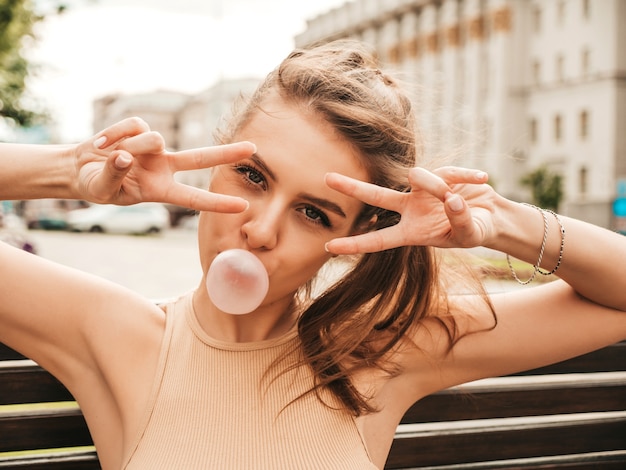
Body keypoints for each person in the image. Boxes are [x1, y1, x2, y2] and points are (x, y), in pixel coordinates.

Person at [1, 39, 625, 470]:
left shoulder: (381, 354)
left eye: (312, 212)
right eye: (251, 176)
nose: (261, 229)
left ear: (352, 236)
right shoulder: (113, 334)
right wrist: (75, 171)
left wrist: (500, 222)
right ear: (210, 165)